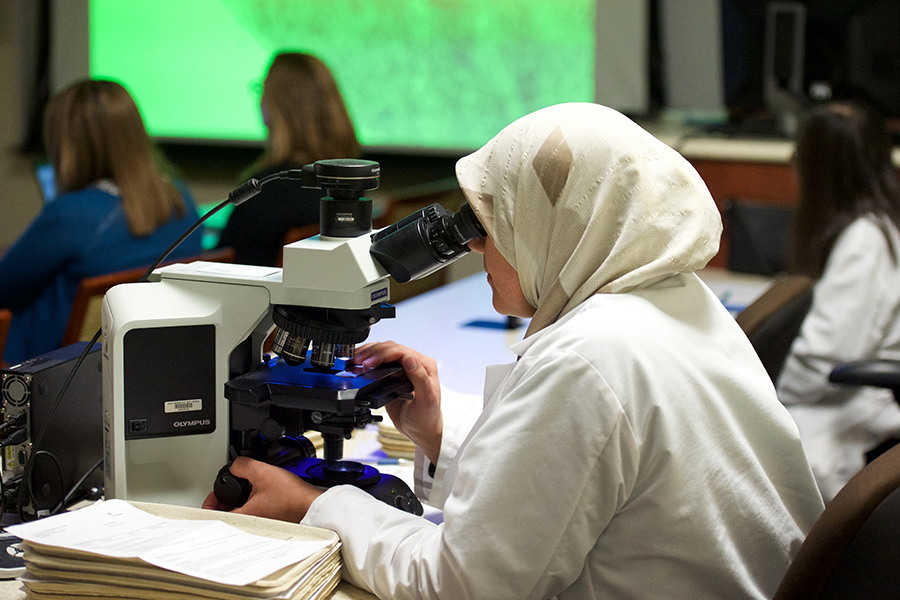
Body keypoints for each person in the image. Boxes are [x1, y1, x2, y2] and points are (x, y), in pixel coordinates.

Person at [204, 103, 824, 599]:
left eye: (487, 226)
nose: (475, 249)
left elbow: (461, 586)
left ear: (551, 227)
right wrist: (438, 435)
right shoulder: (677, 301)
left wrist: (314, 505)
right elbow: (580, 487)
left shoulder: (588, 358)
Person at [0, 79, 202, 365]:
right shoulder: (181, 200)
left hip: (50, 371)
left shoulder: (71, 215)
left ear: (68, 146)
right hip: (146, 363)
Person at [776, 101, 900, 502]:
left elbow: (822, 359)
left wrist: (760, 389)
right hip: (844, 393)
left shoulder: (865, 242)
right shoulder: (877, 223)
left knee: (756, 449)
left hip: (856, 403)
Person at [216, 52, 360, 266]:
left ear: (278, 107)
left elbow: (218, 266)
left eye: (262, 89)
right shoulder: (346, 187)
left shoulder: (268, 189)